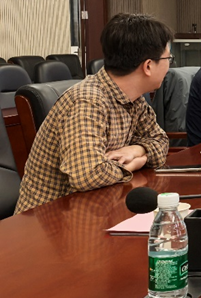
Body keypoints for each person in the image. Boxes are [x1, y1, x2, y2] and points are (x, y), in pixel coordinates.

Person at [15, 14, 172, 213]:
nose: (169, 65)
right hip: (50, 218)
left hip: (98, 206)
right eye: (168, 58)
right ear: (148, 66)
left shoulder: (134, 98)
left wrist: (137, 149)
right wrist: (137, 163)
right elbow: (88, 175)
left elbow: (160, 142)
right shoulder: (88, 101)